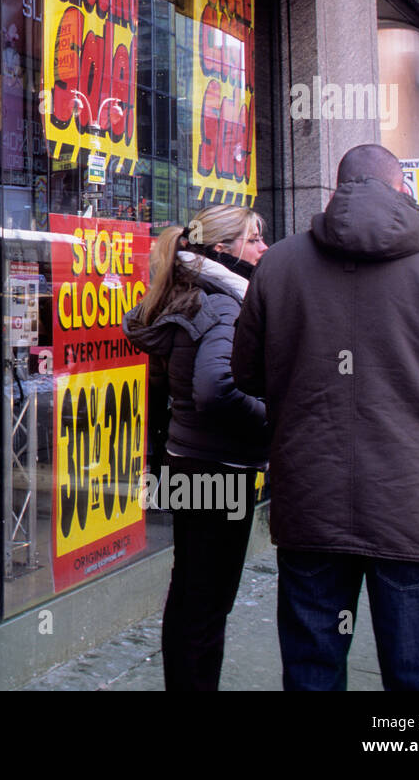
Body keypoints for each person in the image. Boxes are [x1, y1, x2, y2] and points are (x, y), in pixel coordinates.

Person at [232, 144, 419, 690]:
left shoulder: (281, 263)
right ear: (402, 190)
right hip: (416, 505)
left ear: (337, 191)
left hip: (312, 500)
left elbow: (247, 374)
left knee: (312, 672)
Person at [122, 204, 269, 690]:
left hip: (189, 462)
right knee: (208, 602)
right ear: (224, 250)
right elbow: (214, 389)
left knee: (190, 594)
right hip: (219, 470)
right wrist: (275, 418)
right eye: (254, 238)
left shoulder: (192, 295)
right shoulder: (225, 304)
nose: (262, 248)